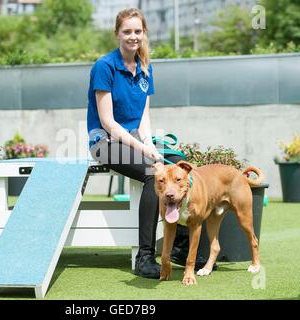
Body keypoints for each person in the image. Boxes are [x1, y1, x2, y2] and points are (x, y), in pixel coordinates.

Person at [86, 8, 211, 279]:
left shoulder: (145, 68)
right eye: (127, 31)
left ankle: (178, 246)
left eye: (138, 31)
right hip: (105, 142)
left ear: (144, 34)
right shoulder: (104, 67)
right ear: (117, 33)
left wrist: (148, 142)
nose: (133, 36)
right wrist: (144, 150)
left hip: (133, 140)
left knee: (173, 168)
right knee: (150, 173)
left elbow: (144, 117)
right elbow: (108, 122)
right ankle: (145, 257)